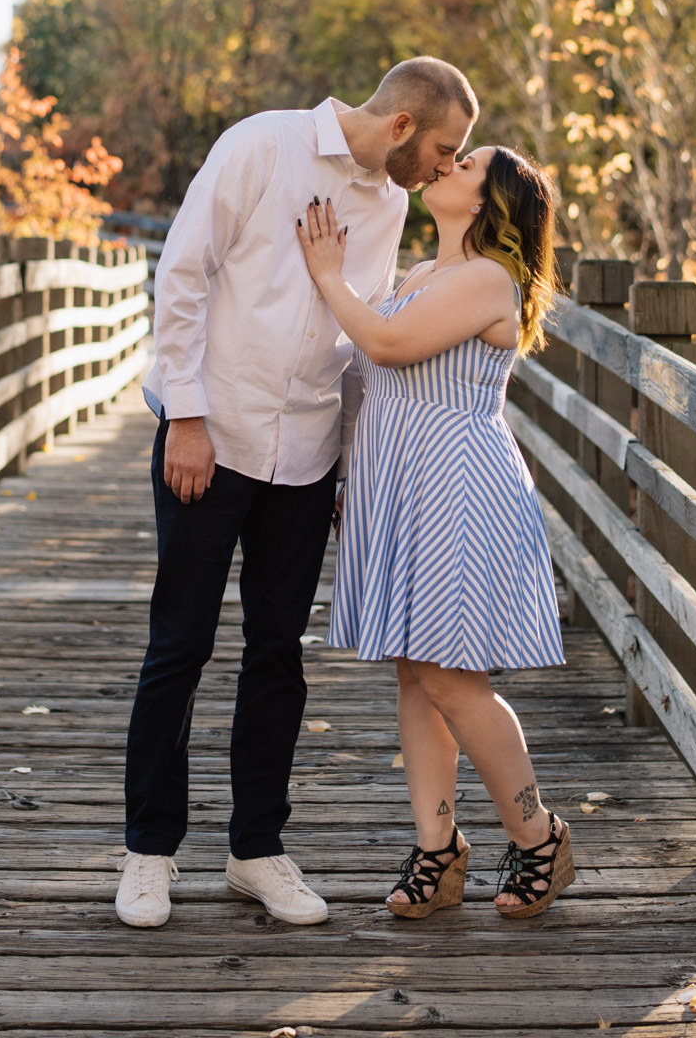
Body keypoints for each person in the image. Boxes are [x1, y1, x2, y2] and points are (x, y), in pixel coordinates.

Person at [115, 57, 478, 930]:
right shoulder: (260, 145)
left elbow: (369, 337)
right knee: (180, 645)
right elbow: (184, 277)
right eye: (442, 148)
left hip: (309, 456)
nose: (442, 167)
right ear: (399, 127)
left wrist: (354, 462)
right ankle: (148, 854)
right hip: (214, 435)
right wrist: (189, 417)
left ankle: (255, 851)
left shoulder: (388, 204)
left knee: (278, 654)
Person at [295, 143, 573, 921]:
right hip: (401, 483)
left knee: (453, 676)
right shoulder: (422, 274)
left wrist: (327, 277)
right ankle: (437, 848)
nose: (445, 164)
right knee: (415, 673)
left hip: (457, 486)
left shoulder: (487, 278)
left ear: (489, 202)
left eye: (464, 164)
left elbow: (383, 346)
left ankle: (538, 836)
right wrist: (354, 475)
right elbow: (372, 381)